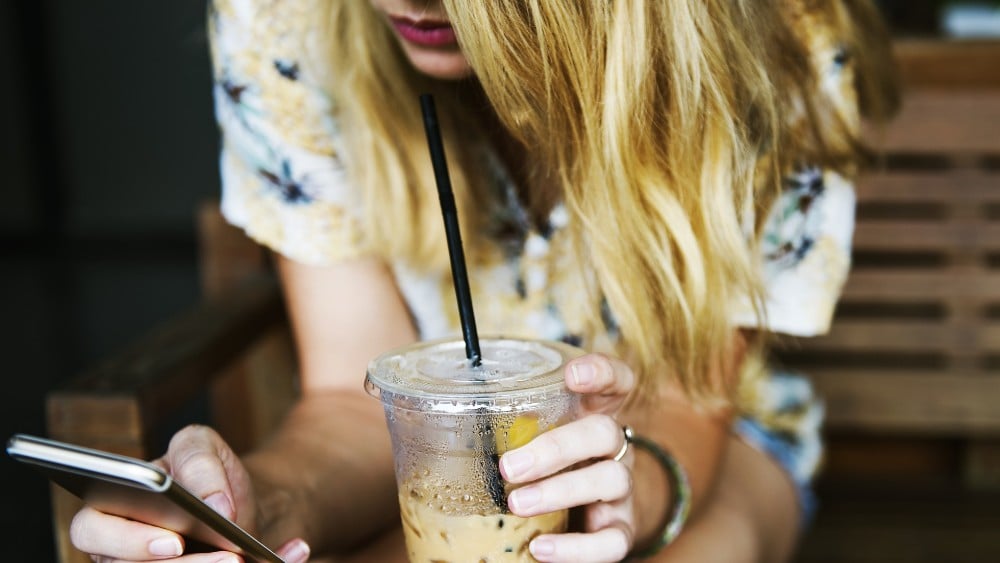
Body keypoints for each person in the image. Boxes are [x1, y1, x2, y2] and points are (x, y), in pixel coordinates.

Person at [70, 0, 898, 561]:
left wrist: (629, 491)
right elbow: (357, 400)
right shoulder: (288, 22)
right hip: (439, 470)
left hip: (701, 440)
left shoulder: (775, 41)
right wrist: (263, 505)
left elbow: (690, 401)